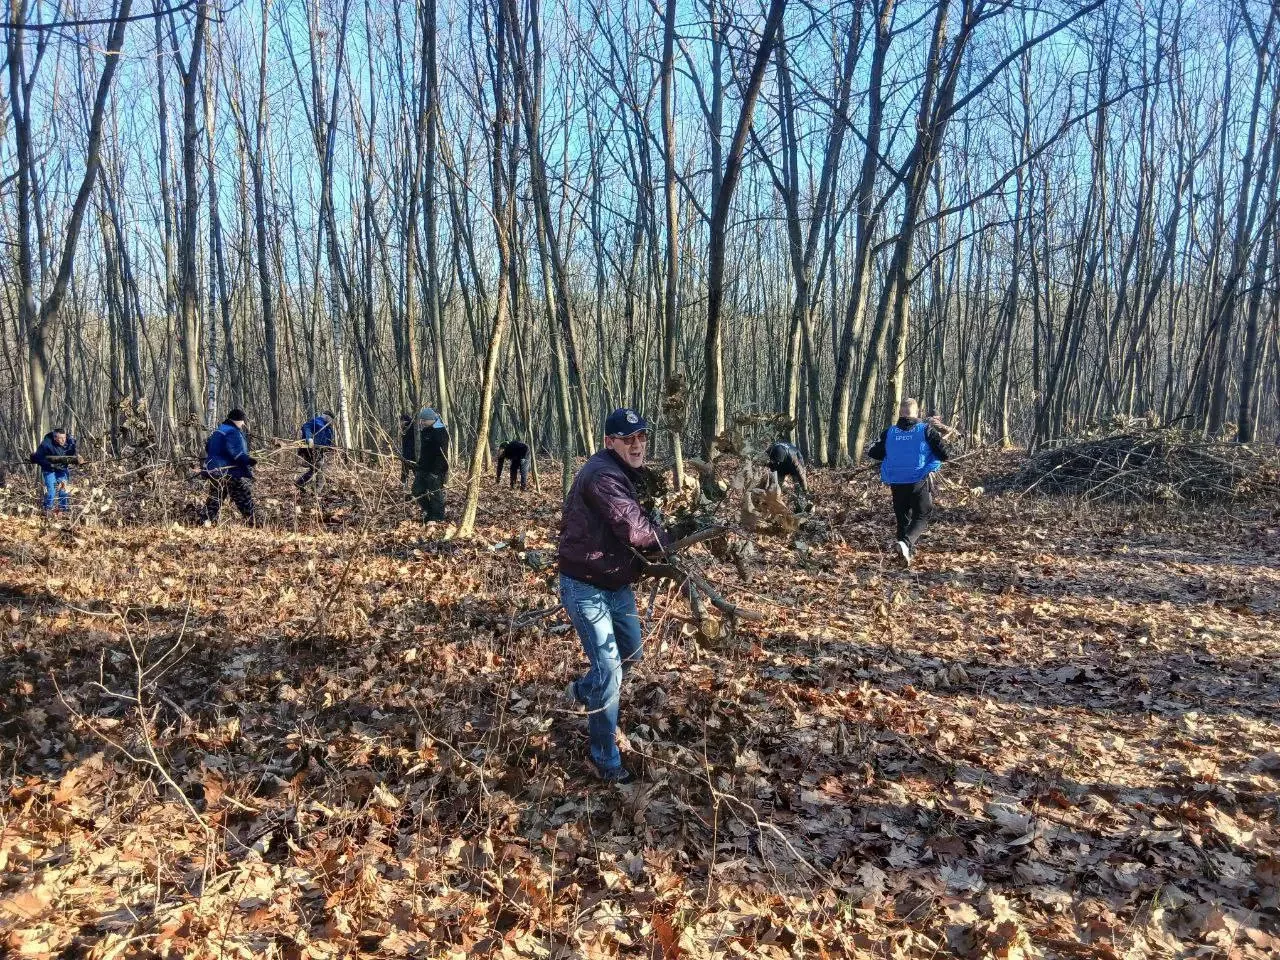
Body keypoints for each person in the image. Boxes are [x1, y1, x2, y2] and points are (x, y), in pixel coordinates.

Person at [558, 408, 669, 784]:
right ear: (610, 442)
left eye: (641, 438)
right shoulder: (603, 476)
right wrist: (674, 536)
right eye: (627, 439)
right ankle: (605, 761)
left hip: (615, 582)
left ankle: (581, 689)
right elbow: (636, 531)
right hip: (585, 583)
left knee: (631, 655)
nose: (637, 445)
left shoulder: (629, 472)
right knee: (609, 669)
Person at [865, 398, 955, 567]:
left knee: (902, 518)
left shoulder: (889, 432)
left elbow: (874, 453)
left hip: (896, 481)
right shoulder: (926, 430)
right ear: (917, 413)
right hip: (918, 479)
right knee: (923, 514)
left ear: (900, 413)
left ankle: (905, 555)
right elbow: (945, 454)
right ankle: (906, 544)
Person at [199, 408, 258, 524]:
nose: (243, 424)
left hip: (214, 470)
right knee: (243, 497)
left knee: (215, 498)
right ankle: (254, 522)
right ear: (237, 420)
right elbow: (236, 453)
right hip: (229, 472)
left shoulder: (219, 430)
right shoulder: (232, 432)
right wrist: (248, 460)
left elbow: (208, 447)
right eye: (242, 421)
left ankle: (204, 520)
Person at [411, 407, 450, 522]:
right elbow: (425, 452)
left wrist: (435, 472)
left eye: (424, 420)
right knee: (417, 490)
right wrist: (419, 465)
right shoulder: (425, 430)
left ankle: (438, 517)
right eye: (421, 420)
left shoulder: (441, 431)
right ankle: (430, 512)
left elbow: (442, 455)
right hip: (424, 468)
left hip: (436, 470)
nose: (421, 422)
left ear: (431, 419)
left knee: (435, 494)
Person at [30, 428, 80, 513]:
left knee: (64, 490)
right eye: (60, 438)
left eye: (64, 437)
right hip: (49, 470)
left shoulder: (70, 442)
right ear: (55, 438)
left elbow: (72, 454)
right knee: (51, 491)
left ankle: (64, 511)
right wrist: (50, 464)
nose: (63, 440)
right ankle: (47, 510)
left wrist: (77, 458)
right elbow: (38, 458)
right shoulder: (46, 444)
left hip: (62, 469)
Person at [297, 411, 336, 490]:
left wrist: (330, 447)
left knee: (317, 468)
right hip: (309, 447)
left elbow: (327, 441)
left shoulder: (328, 428)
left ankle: (305, 485)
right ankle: (312, 488)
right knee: (318, 466)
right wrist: (309, 438)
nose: (332, 421)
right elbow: (306, 427)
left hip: (319, 450)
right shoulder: (317, 421)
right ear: (327, 417)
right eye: (331, 419)